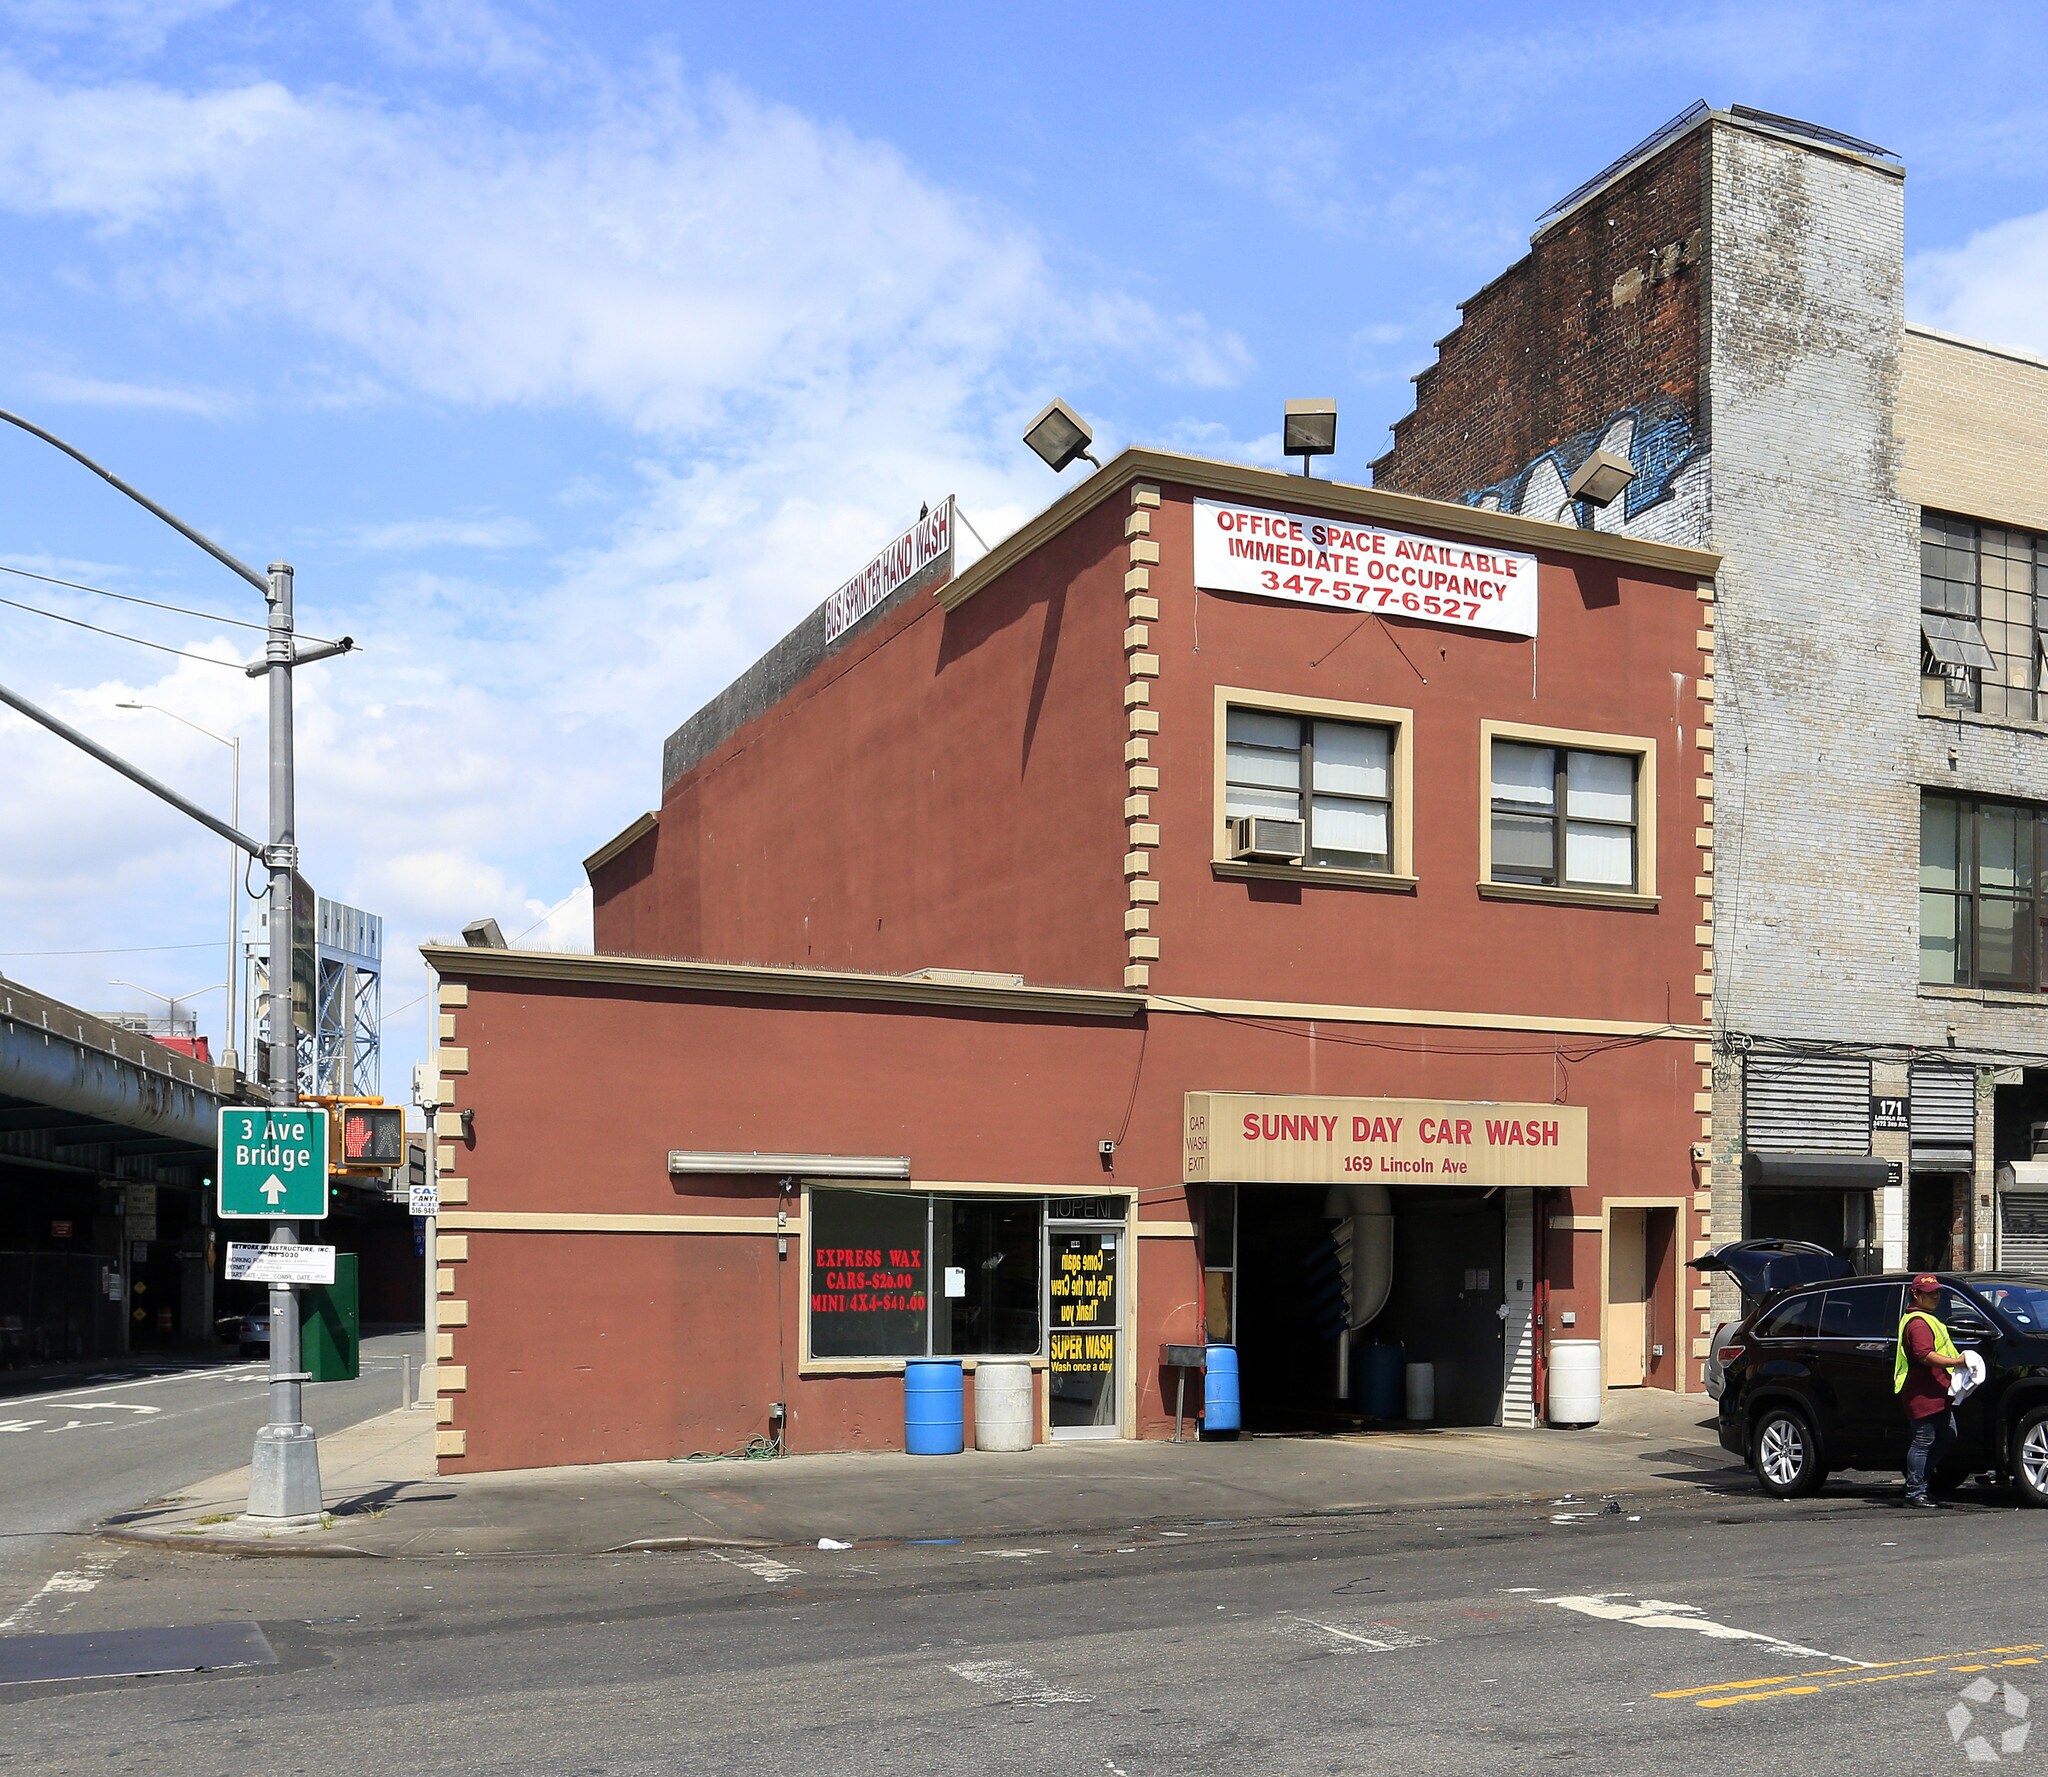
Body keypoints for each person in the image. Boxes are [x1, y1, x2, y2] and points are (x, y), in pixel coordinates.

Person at [1895, 1273, 1966, 1508]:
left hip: (1938, 1392)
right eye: (1929, 1293)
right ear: (1916, 1294)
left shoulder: (1929, 1318)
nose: (1935, 1297)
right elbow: (1925, 1355)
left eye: (1937, 1292)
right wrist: (1957, 1363)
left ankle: (1919, 1483)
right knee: (1923, 1440)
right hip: (1922, 1393)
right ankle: (1915, 1492)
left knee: (1947, 1435)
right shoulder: (1917, 1322)